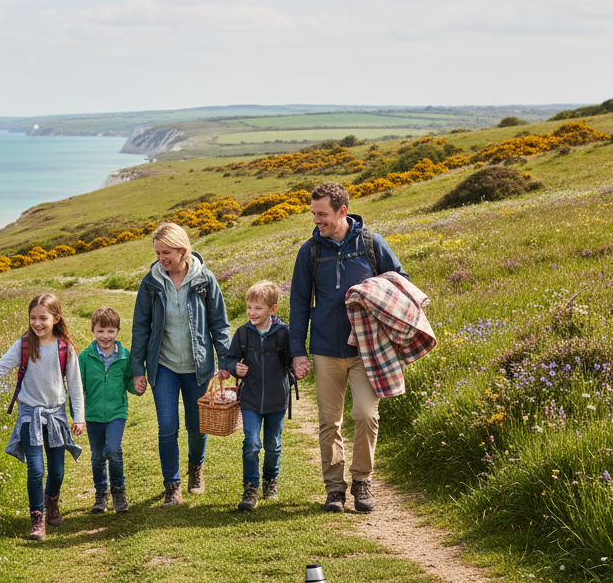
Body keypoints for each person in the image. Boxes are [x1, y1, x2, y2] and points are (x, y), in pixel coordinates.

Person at [288, 181, 407, 514]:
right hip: (326, 349)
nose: (316, 221)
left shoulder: (371, 243)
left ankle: (362, 481)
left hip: (367, 350)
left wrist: (373, 292)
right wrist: (298, 351)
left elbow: (400, 282)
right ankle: (335, 489)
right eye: (313, 214)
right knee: (330, 421)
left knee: (366, 415)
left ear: (342, 211)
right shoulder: (310, 251)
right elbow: (298, 303)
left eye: (322, 214)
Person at [0, 292, 85, 540]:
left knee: (57, 472)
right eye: (32, 318)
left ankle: (51, 503)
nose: (37, 323)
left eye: (43, 318)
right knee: (36, 470)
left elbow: (75, 385)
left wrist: (78, 416)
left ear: (56, 318)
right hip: (30, 416)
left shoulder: (64, 347)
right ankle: (37, 519)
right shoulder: (25, 344)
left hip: (57, 417)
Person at [131, 222, 231, 506]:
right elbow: (140, 328)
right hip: (164, 366)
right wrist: (138, 370)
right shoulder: (151, 283)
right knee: (167, 427)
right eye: (158, 252)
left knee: (197, 426)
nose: (161, 258)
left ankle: (195, 468)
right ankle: (171, 486)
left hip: (198, 367)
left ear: (182, 250)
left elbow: (220, 325)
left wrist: (226, 361)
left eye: (166, 252)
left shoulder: (204, 279)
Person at [220, 280, 292, 511]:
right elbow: (229, 359)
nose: (252, 312)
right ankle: (250, 488)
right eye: (249, 307)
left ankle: (270, 480)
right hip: (249, 399)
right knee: (251, 443)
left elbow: (294, 361)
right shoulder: (242, 334)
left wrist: (299, 369)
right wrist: (234, 368)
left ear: (273, 309)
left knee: (273, 445)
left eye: (258, 308)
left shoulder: (284, 333)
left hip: (277, 399)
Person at [78, 306, 139, 514]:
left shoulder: (124, 356)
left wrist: (137, 387)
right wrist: (78, 416)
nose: (106, 336)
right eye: (101, 331)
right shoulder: (84, 358)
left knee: (113, 449)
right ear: (93, 331)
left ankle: (118, 491)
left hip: (117, 412)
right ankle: (101, 494)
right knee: (97, 455)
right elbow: (78, 389)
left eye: (111, 331)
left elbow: (129, 381)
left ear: (118, 331)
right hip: (93, 414)